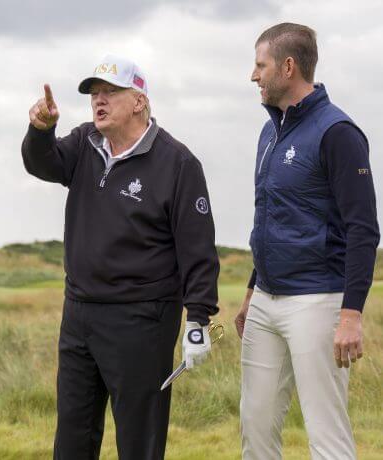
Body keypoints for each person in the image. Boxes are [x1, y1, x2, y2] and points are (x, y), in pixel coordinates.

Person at [22, 55, 220, 459]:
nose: (99, 100)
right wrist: (41, 132)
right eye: (95, 93)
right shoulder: (84, 142)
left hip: (143, 318)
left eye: (111, 92)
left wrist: (198, 317)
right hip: (79, 313)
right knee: (73, 436)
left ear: (139, 101)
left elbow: (197, 248)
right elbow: (42, 163)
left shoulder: (177, 163)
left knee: (138, 439)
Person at [235, 23, 380, 460]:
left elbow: (363, 229)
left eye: (260, 65)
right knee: (255, 426)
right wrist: (251, 292)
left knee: (326, 434)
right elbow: (272, 219)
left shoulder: (338, 132)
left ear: (288, 67)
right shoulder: (269, 133)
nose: (253, 75)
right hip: (266, 301)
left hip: (318, 301)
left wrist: (351, 314)